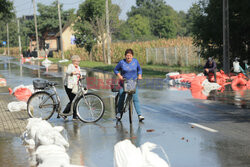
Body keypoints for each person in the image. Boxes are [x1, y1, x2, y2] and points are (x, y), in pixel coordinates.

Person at [114, 49, 144, 121]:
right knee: (122, 95)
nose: (128, 57)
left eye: (130, 56)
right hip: (124, 82)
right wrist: (119, 76)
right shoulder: (122, 62)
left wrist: (139, 75)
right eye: (127, 56)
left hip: (133, 82)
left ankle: (139, 115)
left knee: (135, 98)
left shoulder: (135, 61)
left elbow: (139, 69)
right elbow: (116, 70)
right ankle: (119, 113)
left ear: (132, 56)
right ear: (125, 56)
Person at [63, 55, 81, 120]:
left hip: (75, 86)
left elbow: (79, 73)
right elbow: (67, 71)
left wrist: (81, 76)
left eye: (79, 61)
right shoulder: (70, 66)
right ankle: (66, 114)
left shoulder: (78, 67)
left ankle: (73, 116)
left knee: (74, 100)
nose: (78, 63)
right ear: (73, 61)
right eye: (76, 61)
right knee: (73, 100)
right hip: (69, 86)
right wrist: (72, 72)